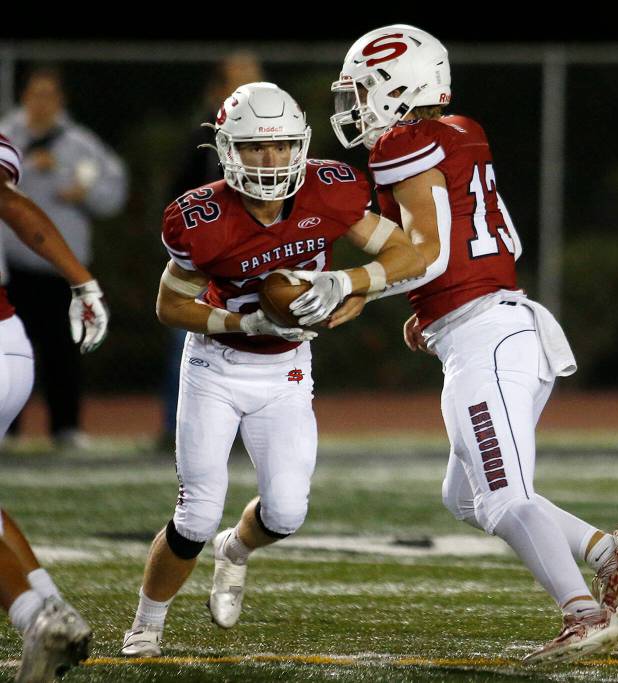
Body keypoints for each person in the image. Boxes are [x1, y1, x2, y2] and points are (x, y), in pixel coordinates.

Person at [309, 25, 618, 664]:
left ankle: (583, 614)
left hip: (486, 338)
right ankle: (609, 552)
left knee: (503, 496)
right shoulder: (458, 132)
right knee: (463, 497)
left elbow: (426, 249)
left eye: (361, 89)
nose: (354, 105)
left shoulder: (401, 143)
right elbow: (469, 249)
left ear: (397, 87)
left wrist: (350, 281)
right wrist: (417, 305)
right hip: (493, 326)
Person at [119, 82, 424, 657]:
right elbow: (171, 305)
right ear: (228, 150)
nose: (272, 159)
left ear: (301, 145)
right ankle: (147, 623)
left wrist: (351, 283)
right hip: (215, 368)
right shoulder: (202, 216)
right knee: (196, 512)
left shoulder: (329, 190)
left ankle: (236, 548)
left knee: (287, 512)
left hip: (287, 372)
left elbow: (407, 252)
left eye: (283, 146)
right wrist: (248, 325)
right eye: (257, 148)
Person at [0, 133, 109, 680]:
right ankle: (53, 609)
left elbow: (10, 202)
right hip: (9, 343)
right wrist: (82, 281)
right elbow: (11, 201)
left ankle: (34, 617)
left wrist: (82, 280)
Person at [0, 65, 127, 450]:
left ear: (61, 101)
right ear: (24, 98)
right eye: (35, 94)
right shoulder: (12, 133)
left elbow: (112, 193)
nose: (42, 103)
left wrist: (80, 190)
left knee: (62, 352)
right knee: (10, 357)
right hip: (12, 266)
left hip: (56, 268)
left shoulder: (80, 144)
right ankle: (11, 430)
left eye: (49, 95)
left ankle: (66, 426)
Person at [156, 52, 266, 450]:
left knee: (273, 331)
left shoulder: (275, 130)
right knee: (190, 336)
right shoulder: (206, 136)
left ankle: (255, 429)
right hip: (214, 258)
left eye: (253, 77)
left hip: (265, 254)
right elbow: (179, 198)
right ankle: (178, 425)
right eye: (239, 80)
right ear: (220, 90)